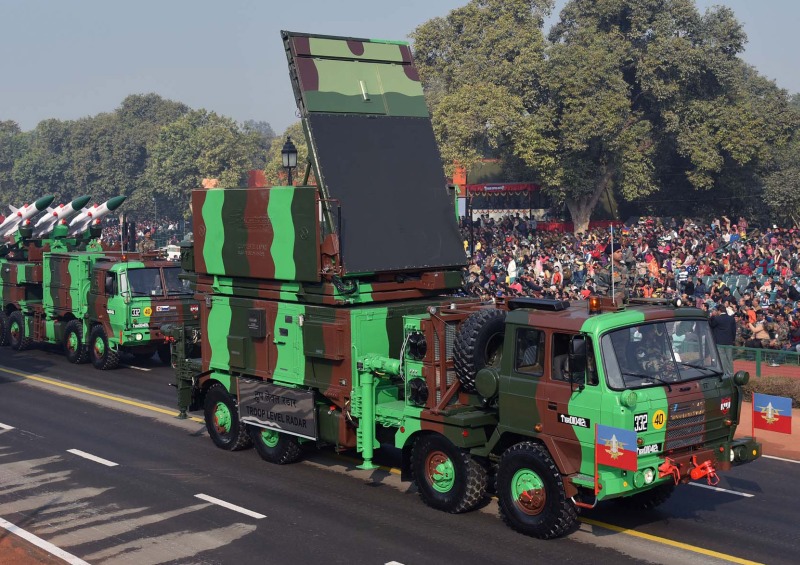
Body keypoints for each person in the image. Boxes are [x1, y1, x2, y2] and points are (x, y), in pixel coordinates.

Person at [709, 304, 736, 375]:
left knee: (722, 358)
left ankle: (724, 374)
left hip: (719, 341)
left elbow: (711, 325)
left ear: (719, 311)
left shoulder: (717, 318)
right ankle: (731, 373)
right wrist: (733, 339)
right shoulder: (731, 318)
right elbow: (734, 330)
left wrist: (712, 317)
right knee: (729, 358)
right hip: (729, 341)